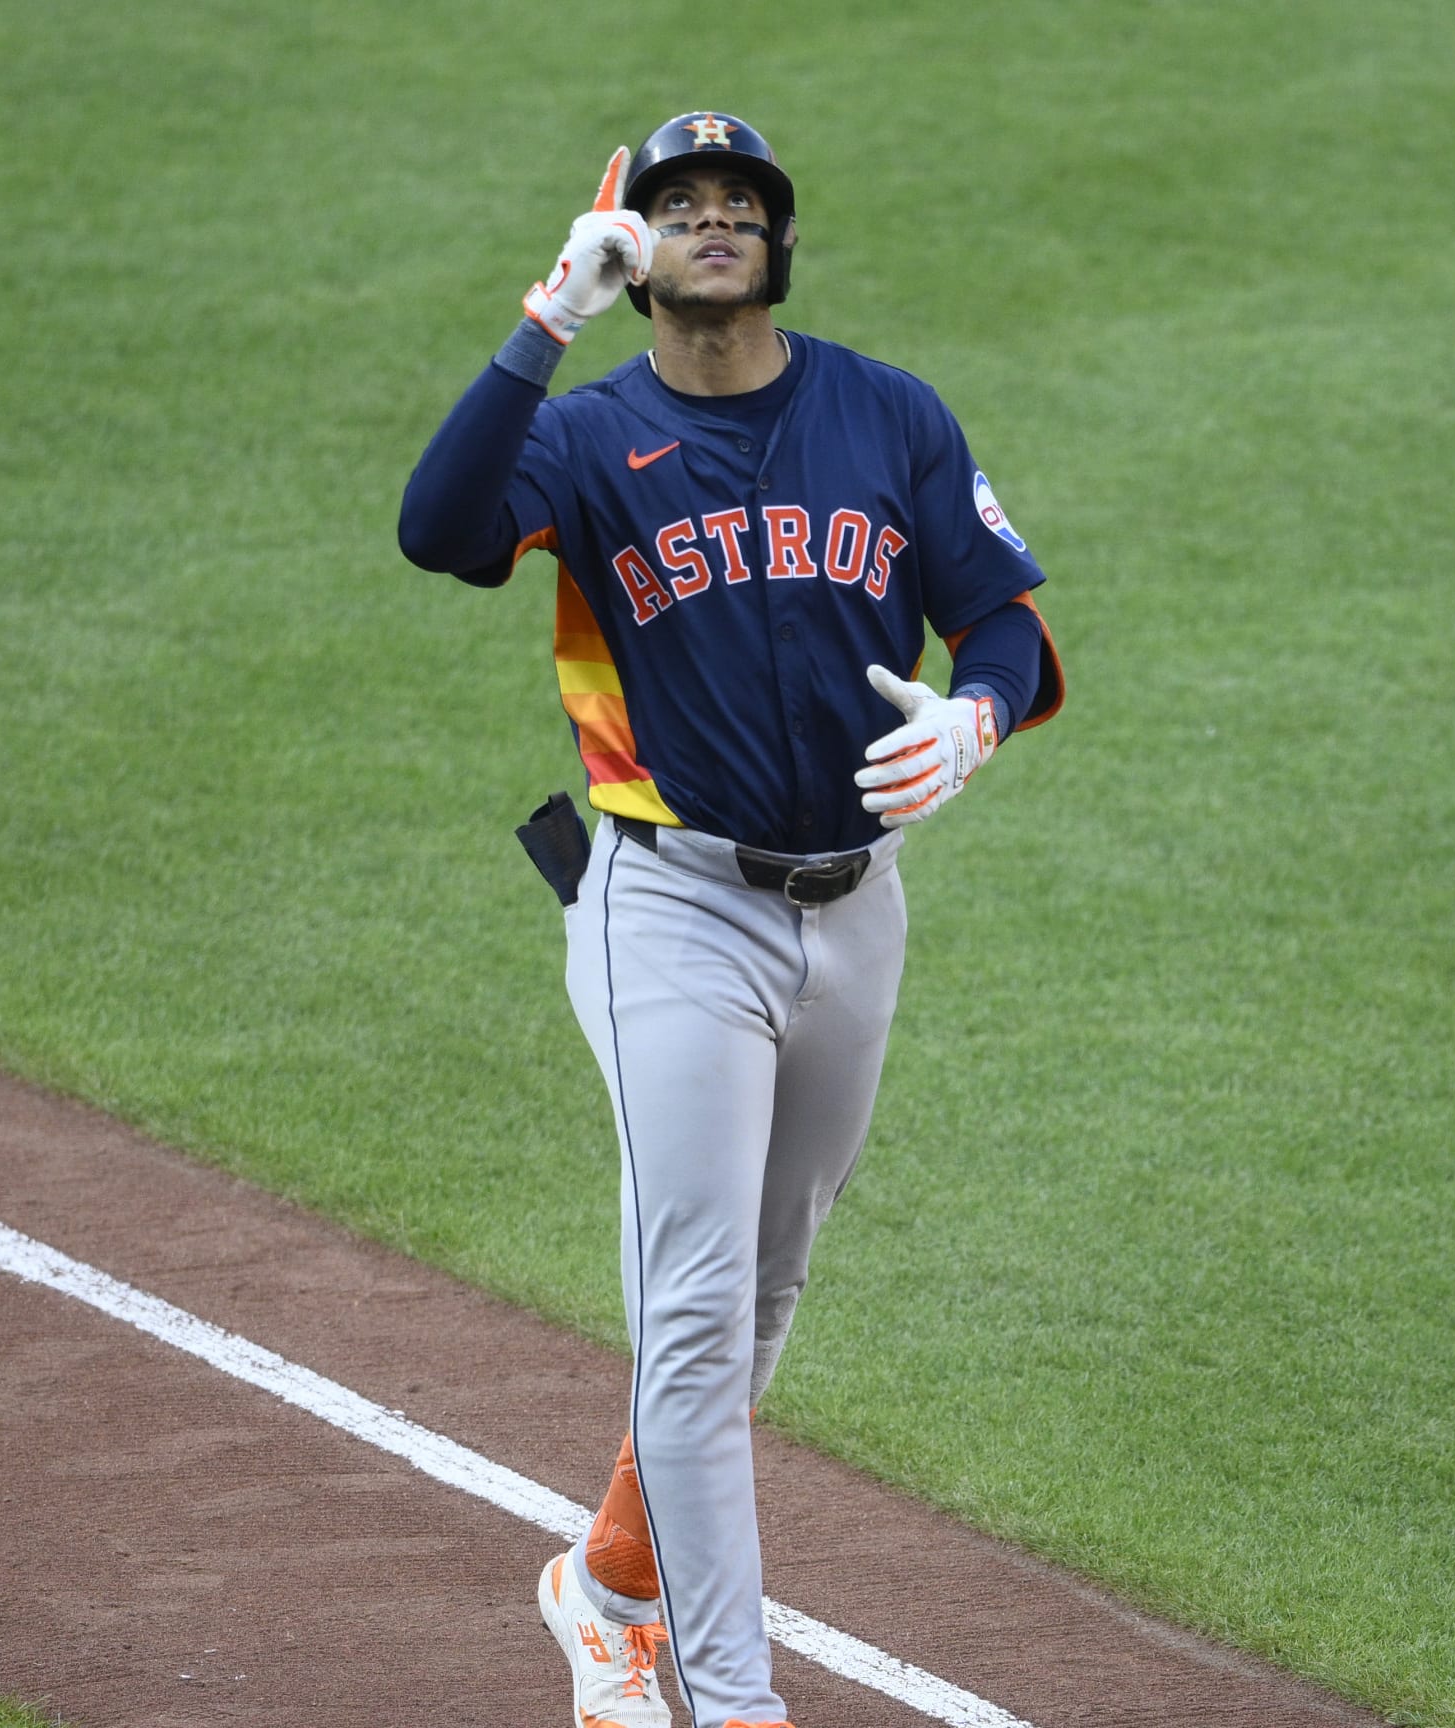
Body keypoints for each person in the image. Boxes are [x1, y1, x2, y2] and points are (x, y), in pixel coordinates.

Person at [397, 110, 1063, 1728]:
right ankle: (733, 1700)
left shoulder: (885, 414)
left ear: (776, 241)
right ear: (638, 255)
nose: (713, 221)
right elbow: (440, 531)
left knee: (764, 1297)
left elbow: (1013, 630)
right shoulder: (584, 436)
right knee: (691, 1311)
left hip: (857, 911)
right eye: (679, 204)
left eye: (738, 203)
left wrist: (976, 721)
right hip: (668, 911)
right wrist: (543, 320)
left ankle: (610, 1583)